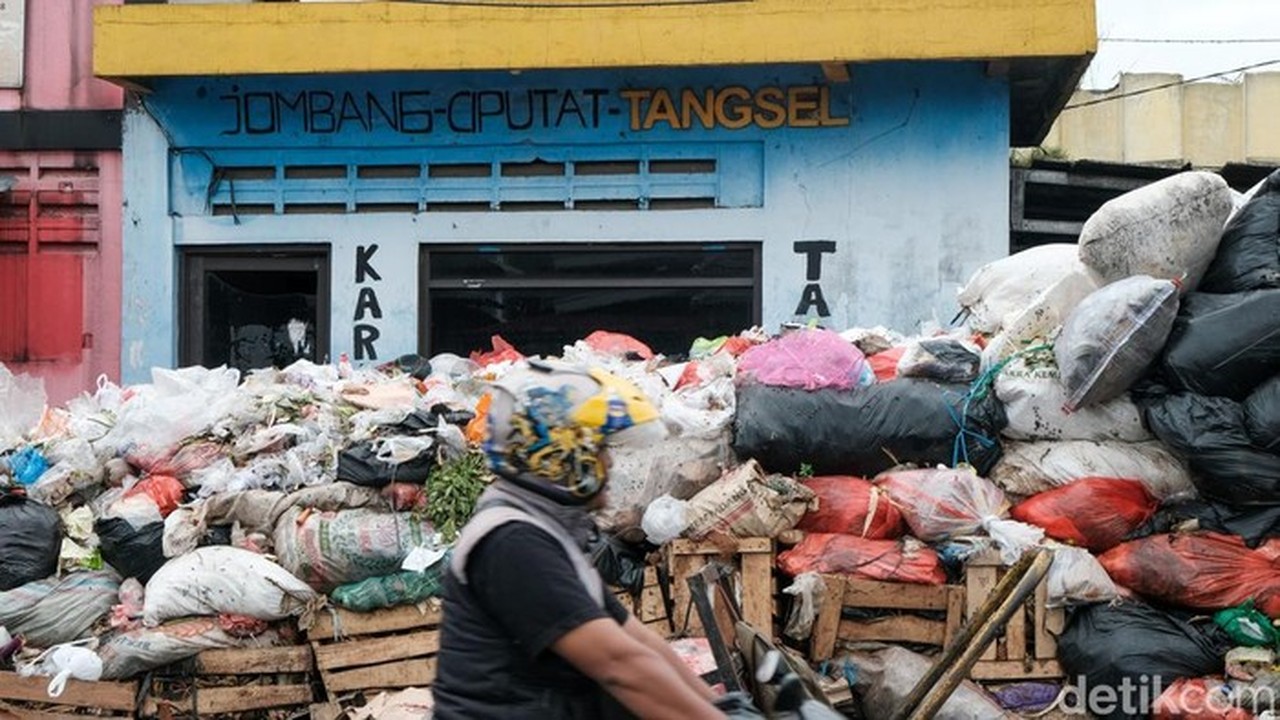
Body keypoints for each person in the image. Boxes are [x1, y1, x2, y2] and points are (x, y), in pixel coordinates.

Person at [433, 361, 729, 719]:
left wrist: (723, 707)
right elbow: (621, 665)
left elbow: (641, 644)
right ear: (564, 453)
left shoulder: (549, 533)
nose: (608, 462)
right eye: (601, 448)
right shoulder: (512, 541)